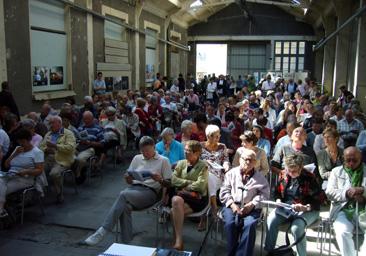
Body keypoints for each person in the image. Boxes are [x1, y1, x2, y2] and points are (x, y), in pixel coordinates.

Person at [84, 136, 171, 245]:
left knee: (123, 194)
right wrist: (128, 178)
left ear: (154, 147)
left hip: (150, 192)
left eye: (148, 150)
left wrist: (160, 179)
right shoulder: (137, 158)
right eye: (143, 151)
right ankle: (126, 243)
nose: (145, 153)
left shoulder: (163, 161)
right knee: (125, 207)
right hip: (133, 189)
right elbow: (129, 179)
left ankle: (103, 231)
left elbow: (169, 184)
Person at [265, 154, 324, 256]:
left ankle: (301, 254)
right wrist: (278, 200)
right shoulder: (284, 174)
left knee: (296, 228)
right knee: (271, 221)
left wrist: (306, 207)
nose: (291, 174)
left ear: (301, 167)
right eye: (289, 170)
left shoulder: (310, 178)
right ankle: (270, 251)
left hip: (308, 209)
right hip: (287, 207)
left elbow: (320, 199)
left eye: (295, 171)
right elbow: (277, 192)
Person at [220, 149, 270, 256]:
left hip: (252, 207)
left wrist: (252, 204)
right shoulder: (231, 173)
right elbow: (224, 191)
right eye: (245, 159)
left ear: (255, 162)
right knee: (231, 223)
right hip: (232, 205)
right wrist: (232, 204)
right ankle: (232, 253)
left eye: (251, 160)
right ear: (239, 160)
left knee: (250, 224)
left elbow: (264, 195)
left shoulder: (260, 178)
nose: (248, 162)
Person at [326, 147, 366, 256]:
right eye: (348, 160)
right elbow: (329, 192)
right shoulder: (336, 171)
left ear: (360, 158)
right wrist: (347, 193)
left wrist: (362, 191)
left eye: (355, 160)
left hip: (363, 209)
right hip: (342, 209)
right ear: (343, 158)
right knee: (342, 231)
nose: (351, 163)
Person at [171, 140, 209, 250]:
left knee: (174, 206)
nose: (185, 152)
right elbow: (173, 180)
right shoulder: (181, 163)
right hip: (182, 197)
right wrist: (189, 183)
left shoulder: (203, 166)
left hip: (197, 199)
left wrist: (183, 184)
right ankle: (179, 242)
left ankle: (177, 240)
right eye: (185, 150)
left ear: (197, 153)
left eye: (188, 151)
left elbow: (200, 186)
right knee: (176, 202)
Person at [0, 128, 45, 217]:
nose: (21, 144)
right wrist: (14, 154)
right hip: (11, 175)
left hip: (25, 179)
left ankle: (2, 210)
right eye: (19, 142)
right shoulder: (18, 149)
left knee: (1, 187)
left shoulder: (37, 152)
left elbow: (39, 170)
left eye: (23, 142)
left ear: (29, 140)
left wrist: (26, 171)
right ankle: (1, 210)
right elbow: (6, 165)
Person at [199, 124, 230, 230]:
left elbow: (226, 160)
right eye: (216, 136)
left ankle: (203, 217)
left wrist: (226, 166)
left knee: (210, 178)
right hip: (202, 174)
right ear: (208, 136)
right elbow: (195, 161)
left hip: (218, 175)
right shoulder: (200, 146)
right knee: (208, 177)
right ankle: (214, 208)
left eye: (219, 136)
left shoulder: (222, 146)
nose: (218, 138)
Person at [39, 116, 76, 203]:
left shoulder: (68, 133)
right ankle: (42, 191)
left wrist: (55, 146)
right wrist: (46, 149)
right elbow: (40, 147)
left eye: (52, 123)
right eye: (50, 123)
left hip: (62, 160)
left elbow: (70, 148)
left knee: (54, 174)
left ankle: (59, 193)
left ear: (59, 123)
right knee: (37, 170)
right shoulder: (48, 134)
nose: (50, 125)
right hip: (49, 159)